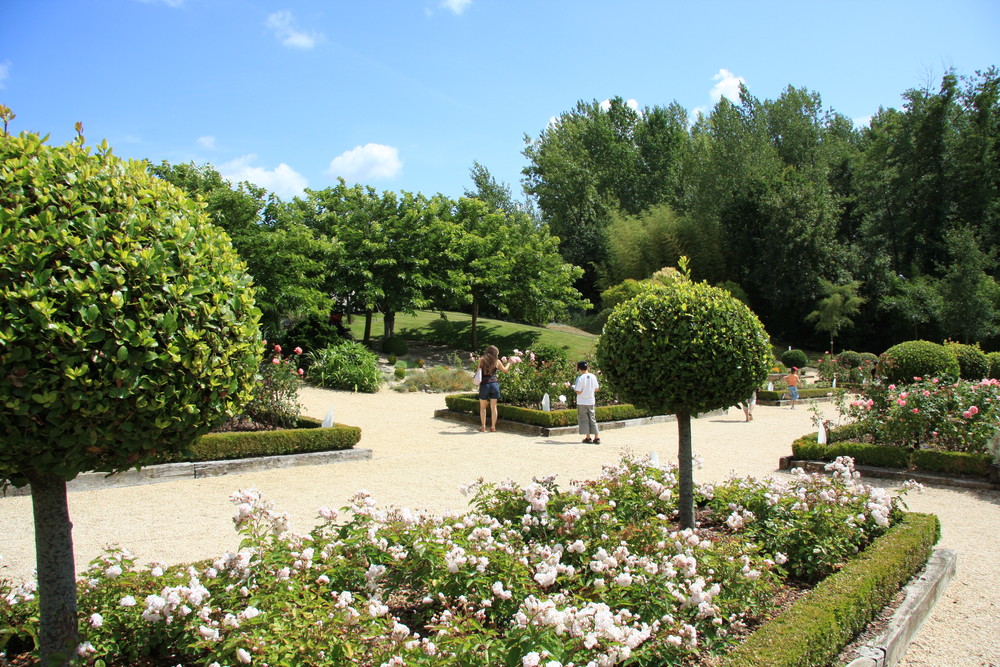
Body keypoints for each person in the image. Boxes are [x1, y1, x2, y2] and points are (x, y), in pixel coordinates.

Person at [477, 345, 510, 432]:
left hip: (484, 384)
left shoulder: (481, 360)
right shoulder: (497, 361)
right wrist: (509, 363)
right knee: (493, 407)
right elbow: (505, 370)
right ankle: (493, 426)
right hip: (494, 384)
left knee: (483, 407)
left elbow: (478, 372)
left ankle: (483, 426)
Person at [574, 360, 601, 444]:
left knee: (584, 419)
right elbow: (596, 389)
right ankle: (596, 437)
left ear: (579, 369)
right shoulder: (593, 376)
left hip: (582, 401)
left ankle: (588, 437)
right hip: (591, 400)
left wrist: (574, 388)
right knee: (592, 419)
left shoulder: (580, 378)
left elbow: (578, 391)